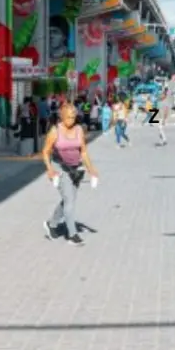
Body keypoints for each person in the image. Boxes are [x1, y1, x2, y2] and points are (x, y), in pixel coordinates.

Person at [41, 103, 98, 246]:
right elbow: (46, 152)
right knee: (69, 200)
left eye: (73, 117)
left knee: (68, 200)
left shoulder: (79, 130)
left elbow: (83, 151)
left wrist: (91, 169)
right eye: (68, 117)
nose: (71, 120)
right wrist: (49, 169)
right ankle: (72, 234)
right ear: (62, 116)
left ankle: (52, 225)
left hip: (76, 169)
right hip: (59, 167)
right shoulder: (55, 131)